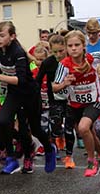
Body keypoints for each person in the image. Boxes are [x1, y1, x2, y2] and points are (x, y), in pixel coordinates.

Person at [0, 21, 56, 174]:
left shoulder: (19, 53)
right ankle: (11, 159)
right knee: (3, 121)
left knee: (33, 129)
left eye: (2, 35)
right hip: (14, 93)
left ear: (12, 36)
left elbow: (21, 80)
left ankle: (49, 150)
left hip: (29, 94)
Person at [54, 30, 100, 177]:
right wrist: (64, 83)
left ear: (83, 45)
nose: (73, 48)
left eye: (77, 45)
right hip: (74, 104)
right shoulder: (64, 65)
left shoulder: (93, 57)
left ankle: (92, 162)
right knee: (89, 132)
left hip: (95, 101)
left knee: (83, 128)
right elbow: (54, 87)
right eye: (70, 45)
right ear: (66, 48)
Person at [36, 34, 74, 168]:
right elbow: (38, 81)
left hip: (71, 99)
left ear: (65, 48)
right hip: (55, 99)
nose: (58, 54)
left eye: (61, 51)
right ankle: (58, 138)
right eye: (55, 52)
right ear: (51, 50)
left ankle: (69, 156)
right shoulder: (48, 63)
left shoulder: (72, 60)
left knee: (69, 128)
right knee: (55, 127)